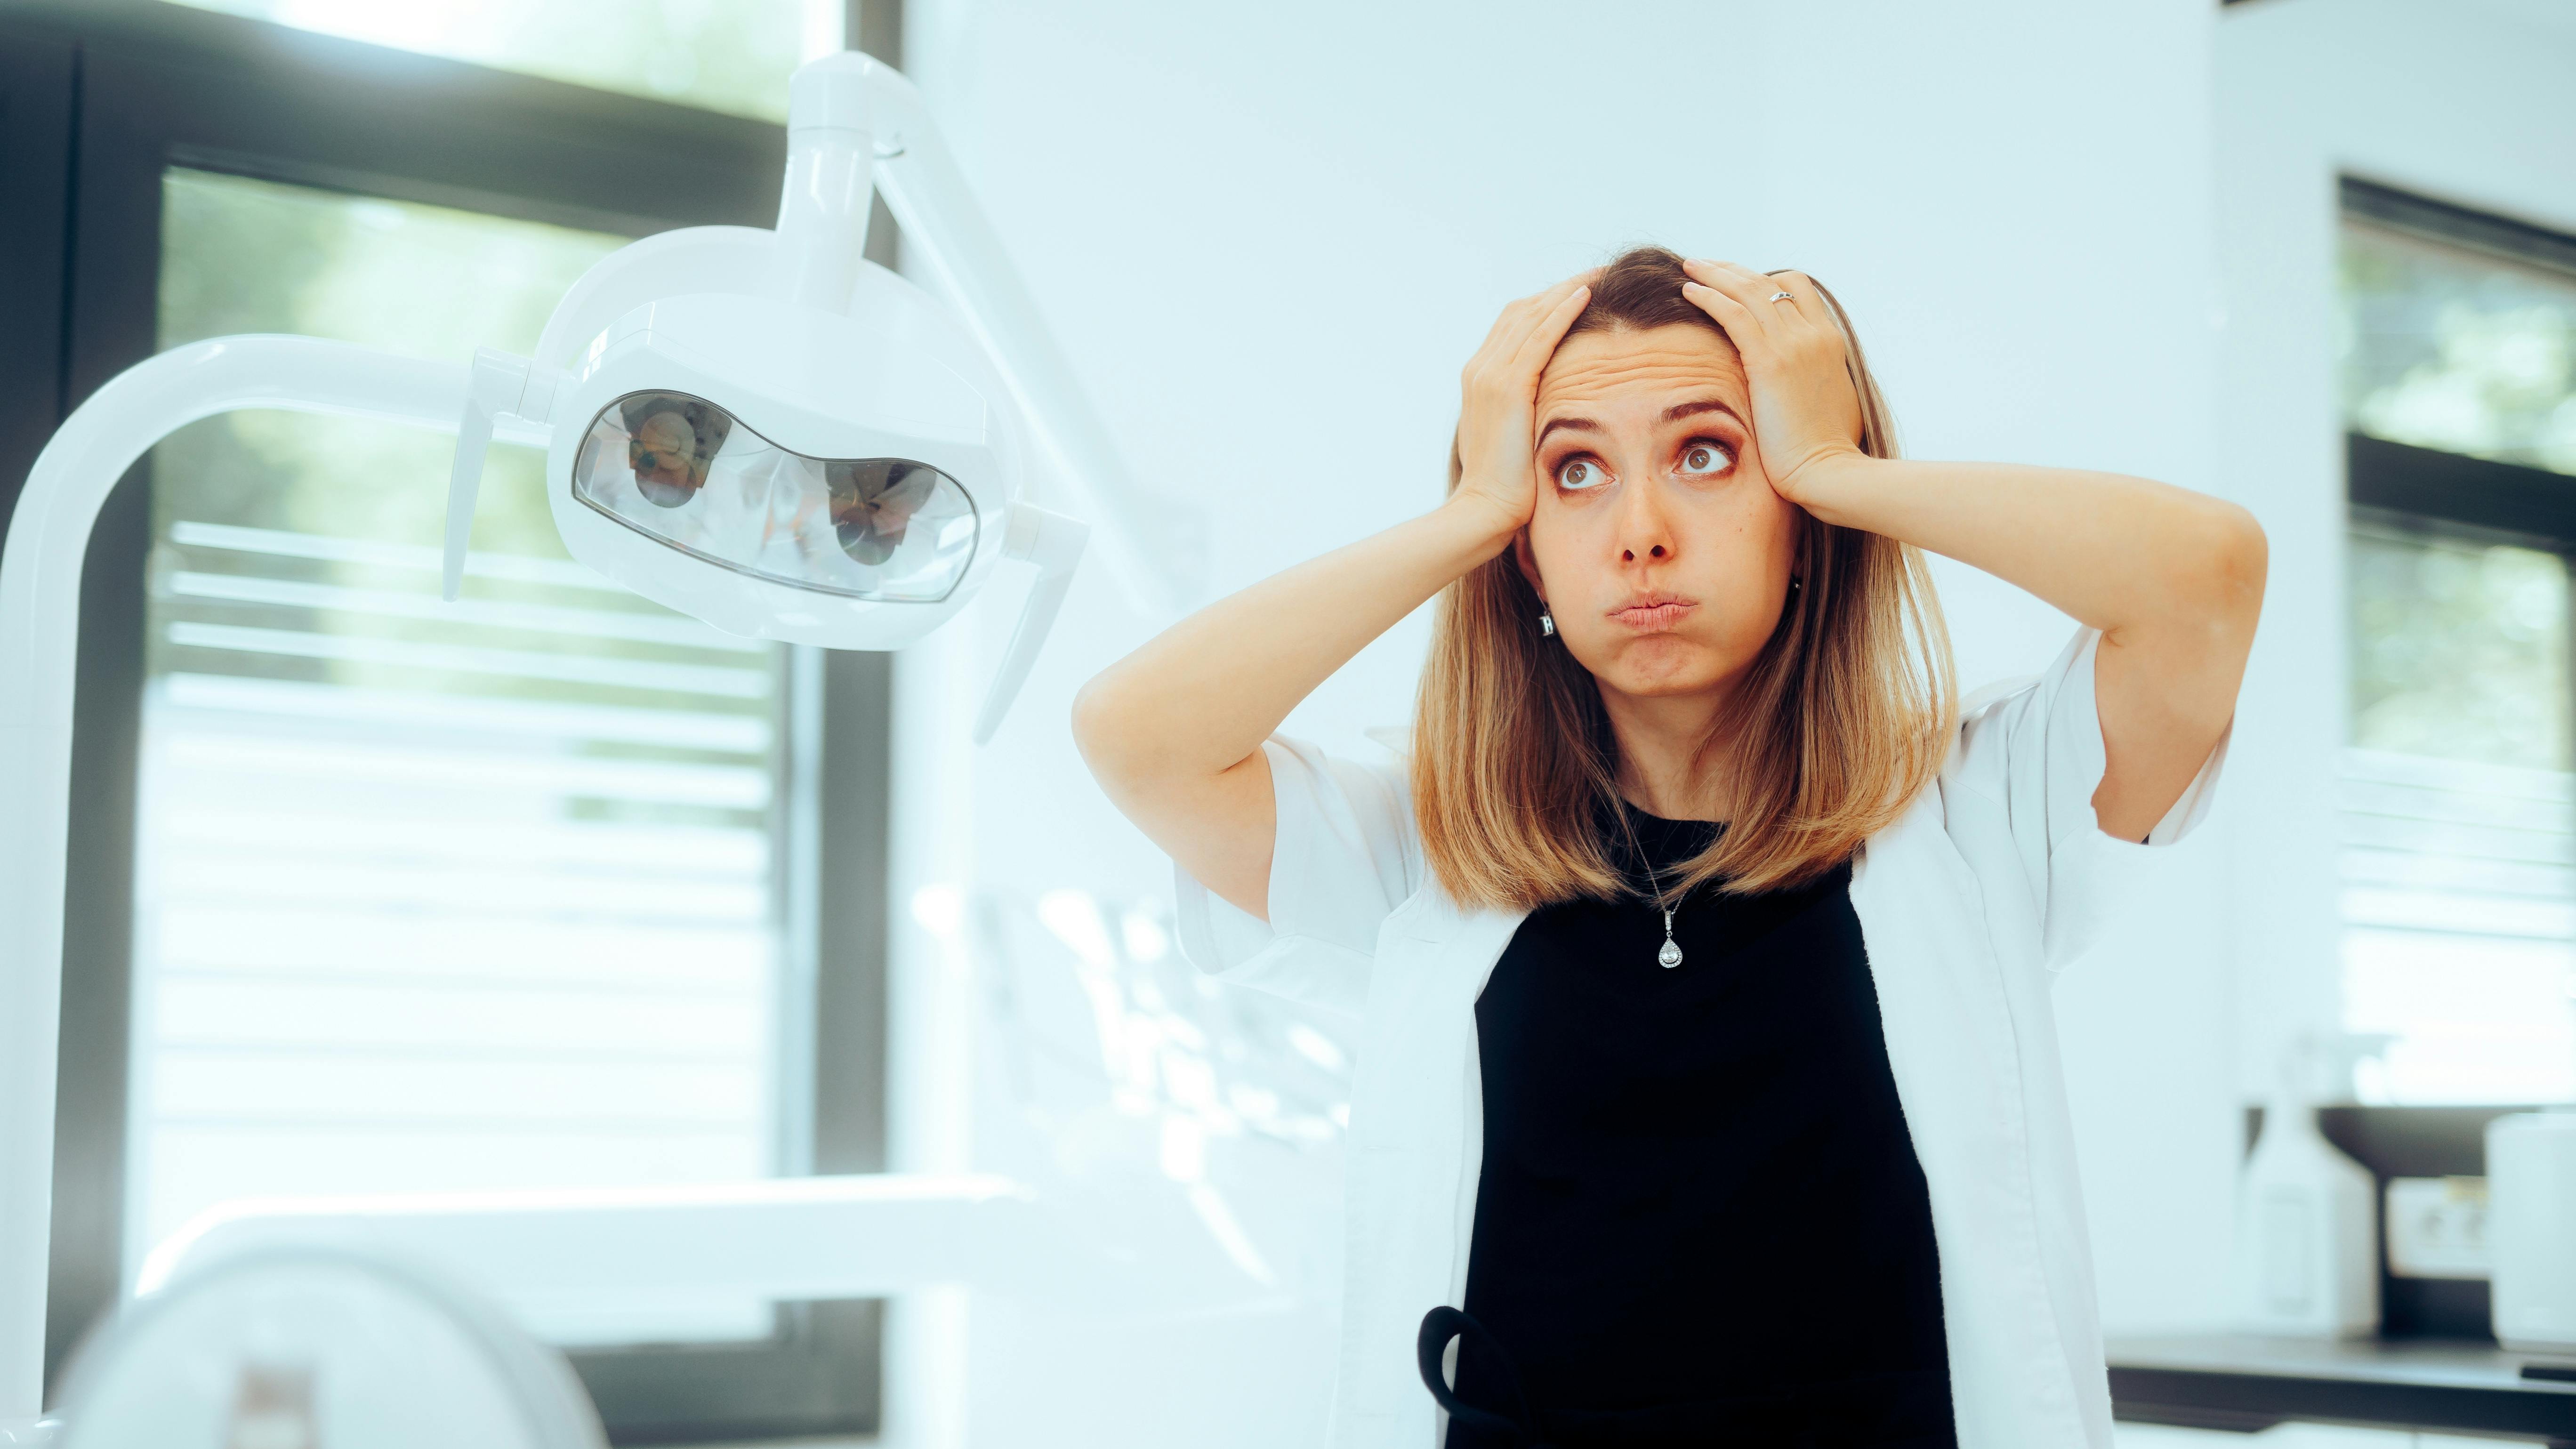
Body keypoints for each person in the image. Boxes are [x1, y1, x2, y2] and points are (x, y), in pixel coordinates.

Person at [1071, 247, 2262, 1448]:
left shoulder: (1982, 813)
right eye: (1575, 471)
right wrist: (1474, 517)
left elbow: (2204, 581)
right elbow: (1137, 736)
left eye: (1707, 454)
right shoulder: (1423, 856)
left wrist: (1833, 465)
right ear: (1529, 552)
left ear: (1806, 524)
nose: (1639, 533)